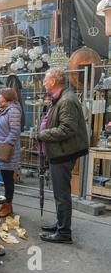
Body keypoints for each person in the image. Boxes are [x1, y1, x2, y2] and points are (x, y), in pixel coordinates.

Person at [38, 68, 89, 244]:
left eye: (45, 80)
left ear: (52, 82)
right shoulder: (61, 98)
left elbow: (67, 129)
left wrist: (42, 135)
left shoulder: (66, 100)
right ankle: (61, 224)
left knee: (62, 195)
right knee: (60, 193)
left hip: (63, 153)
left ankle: (64, 233)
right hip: (60, 151)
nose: (44, 84)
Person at [0, 88, 22, 217]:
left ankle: (8, 206)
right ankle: (6, 205)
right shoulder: (3, 109)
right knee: (6, 179)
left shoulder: (13, 110)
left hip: (8, 152)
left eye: (0, 94)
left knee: (8, 180)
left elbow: (14, 131)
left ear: (6, 97)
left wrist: (5, 146)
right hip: (1, 149)